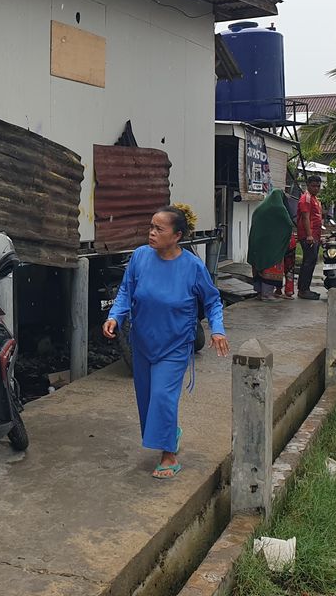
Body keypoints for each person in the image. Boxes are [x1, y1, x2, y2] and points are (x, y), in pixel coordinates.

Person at [102, 207, 230, 479]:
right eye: (151, 227)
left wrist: (217, 330)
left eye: (159, 229)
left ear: (177, 236)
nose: (151, 233)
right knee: (147, 400)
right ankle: (171, 432)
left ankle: (168, 455)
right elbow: (126, 290)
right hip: (143, 342)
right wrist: (115, 315)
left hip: (174, 345)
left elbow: (212, 300)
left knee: (162, 396)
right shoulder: (140, 257)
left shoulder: (193, 267)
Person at [246, 189, 294, 300]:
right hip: (271, 246)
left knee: (259, 268)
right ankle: (267, 294)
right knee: (270, 266)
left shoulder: (259, 209)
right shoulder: (279, 209)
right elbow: (288, 224)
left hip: (257, 245)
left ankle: (259, 292)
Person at [296, 174, 324, 300]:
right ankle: (303, 290)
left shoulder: (315, 199)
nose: (316, 188)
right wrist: (309, 235)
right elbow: (306, 217)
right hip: (308, 236)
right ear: (308, 185)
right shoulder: (306, 198)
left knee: (311, 262)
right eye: (313, 186)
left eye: (318, 186)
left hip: (315, 235)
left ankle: (305, 289)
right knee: (308, 262)